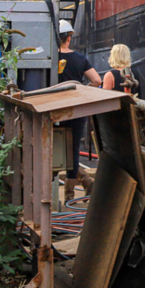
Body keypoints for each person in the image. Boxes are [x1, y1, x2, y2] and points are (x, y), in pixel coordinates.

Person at [57, 20, 101, 201]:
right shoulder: (80, 59)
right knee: (73, 150)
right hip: (75, 110)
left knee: (53, 149)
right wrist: (82, 92)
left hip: (53, 109)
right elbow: (97, 80)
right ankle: (74, 191)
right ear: (69, 37)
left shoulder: (50, 59)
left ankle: (73, 190)